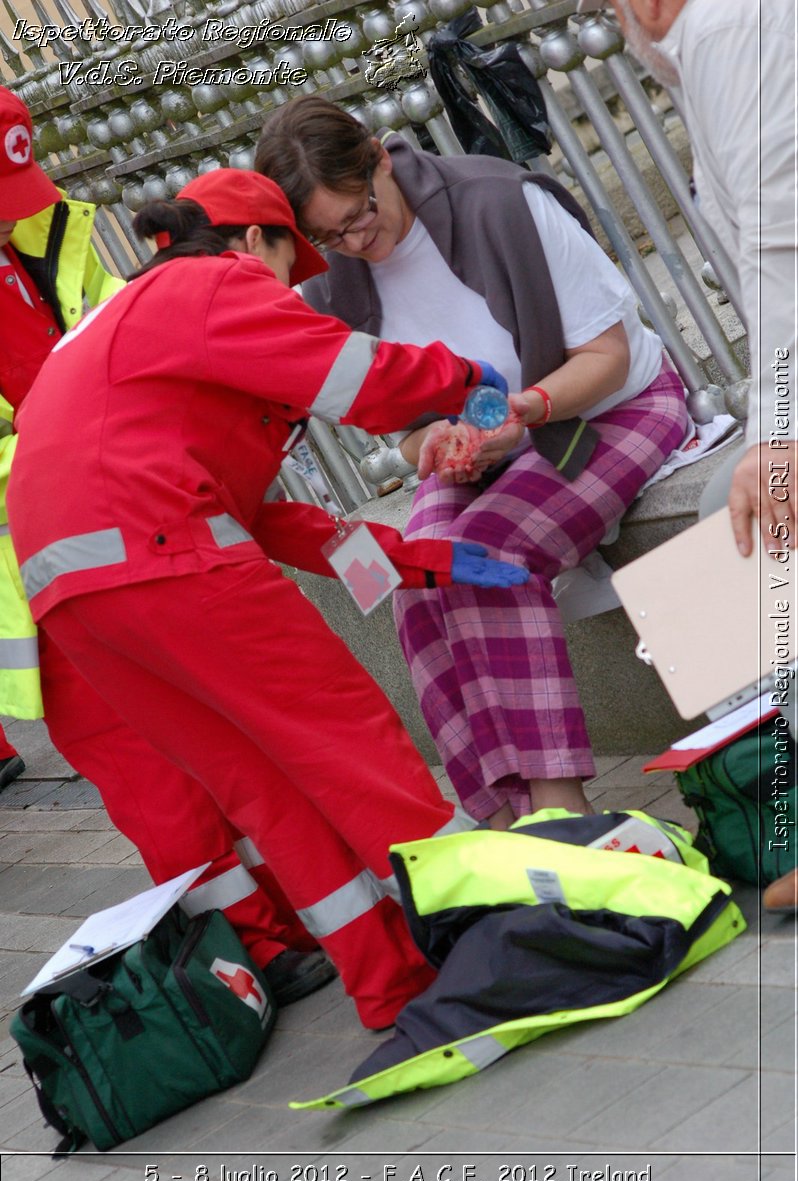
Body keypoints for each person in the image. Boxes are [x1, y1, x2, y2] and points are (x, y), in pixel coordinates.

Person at [7, 167, 527, 1030]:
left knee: (260, 788)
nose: (295, 293)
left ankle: (388, 984)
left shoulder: (123, 330)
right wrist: (473, 377)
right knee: (344, 741)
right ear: (254, 241)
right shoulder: (211, 286)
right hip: (164, 550)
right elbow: (360, 379)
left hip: (75, 599)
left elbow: (274, 520)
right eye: (293, 267)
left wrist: (422, 562)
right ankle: (490, 931)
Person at [254, 97, 689, 829]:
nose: (357, 241)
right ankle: (497, 811)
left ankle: (558, 803)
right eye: (330, 235)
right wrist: (432, 446)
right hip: (492, 441)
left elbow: (609, 359)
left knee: (490, 553)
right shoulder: (328, 280)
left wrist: (523, 414)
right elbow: (401, 432)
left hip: (611, 407)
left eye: (360, 212)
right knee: (414, 575)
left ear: (380, 159)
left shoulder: (500, 203)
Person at [0, 84, 337, 1003]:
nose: (23, 216)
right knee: (158, 780)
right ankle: (250, 946)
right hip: (41, 581)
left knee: (222, 744)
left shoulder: (47, 233)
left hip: (141, 528)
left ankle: (298, 913)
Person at [576, 0, 797, 912]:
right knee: (719, 533)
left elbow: (776, 247)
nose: (606, 19)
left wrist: (777, 437)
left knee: (742, 531)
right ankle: (775, 819)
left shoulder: (721, 32)